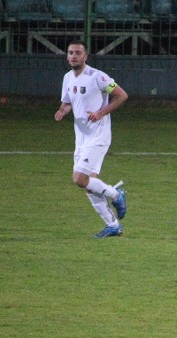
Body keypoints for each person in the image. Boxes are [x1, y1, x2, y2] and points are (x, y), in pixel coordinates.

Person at [54, 39, 129, 238]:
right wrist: (62, 111)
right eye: (70, 52)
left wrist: (101, 113)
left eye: (78, 53)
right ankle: (113, 226)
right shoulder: (68, 78)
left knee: (79, 179)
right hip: (81, 139)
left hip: (98, 137)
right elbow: (67, 102)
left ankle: (116, 194)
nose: (73, 56)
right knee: (88, 183)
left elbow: (122, 95)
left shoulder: (98, 77)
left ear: (85, 56)